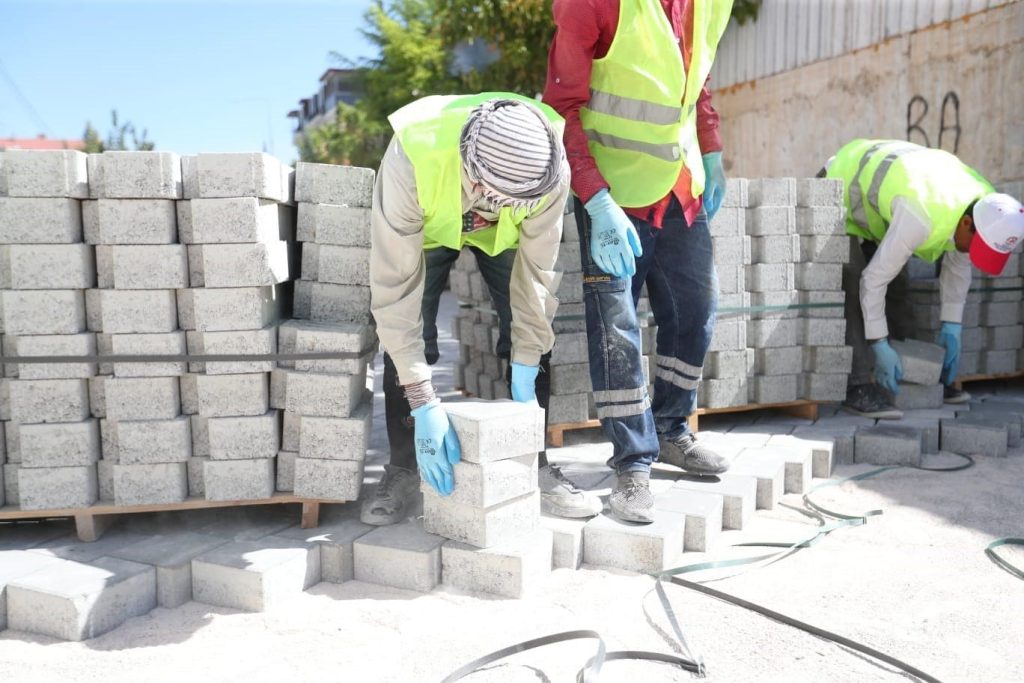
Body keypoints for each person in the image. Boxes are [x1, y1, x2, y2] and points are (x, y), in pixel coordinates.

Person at [363, 93, 603, 526]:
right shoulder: (410, 160)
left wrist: (528, 361)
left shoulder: (548, 167)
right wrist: (423, 400)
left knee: (530, 327)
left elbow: (538, 277)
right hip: (428, 227)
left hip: (505, 240)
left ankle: (535, 463)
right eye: (503, 201)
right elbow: (394, 295)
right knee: (409, 324)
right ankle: (403, 466)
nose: (510, 209)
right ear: (476, 183)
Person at [544, 0, 734, 524]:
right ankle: (632, 464)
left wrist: (712, 148)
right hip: (615, 192)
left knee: (696, 309)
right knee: (617, 327)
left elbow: (694, 79)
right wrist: (595, 199)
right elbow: (562, 104)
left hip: (679, 187)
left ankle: (672, 429)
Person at [826, 139, 1024, 418]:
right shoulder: (922, 215)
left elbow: (958, 266)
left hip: (878, 208)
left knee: (898, 287)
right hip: (840, 188)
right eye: (973, 245)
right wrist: (878, 344)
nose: (971, 253)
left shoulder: (985, 206)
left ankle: (914, 378)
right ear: (966, 224)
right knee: (852, 277)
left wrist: (951, 326)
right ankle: (858, 385)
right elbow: (872, 281)